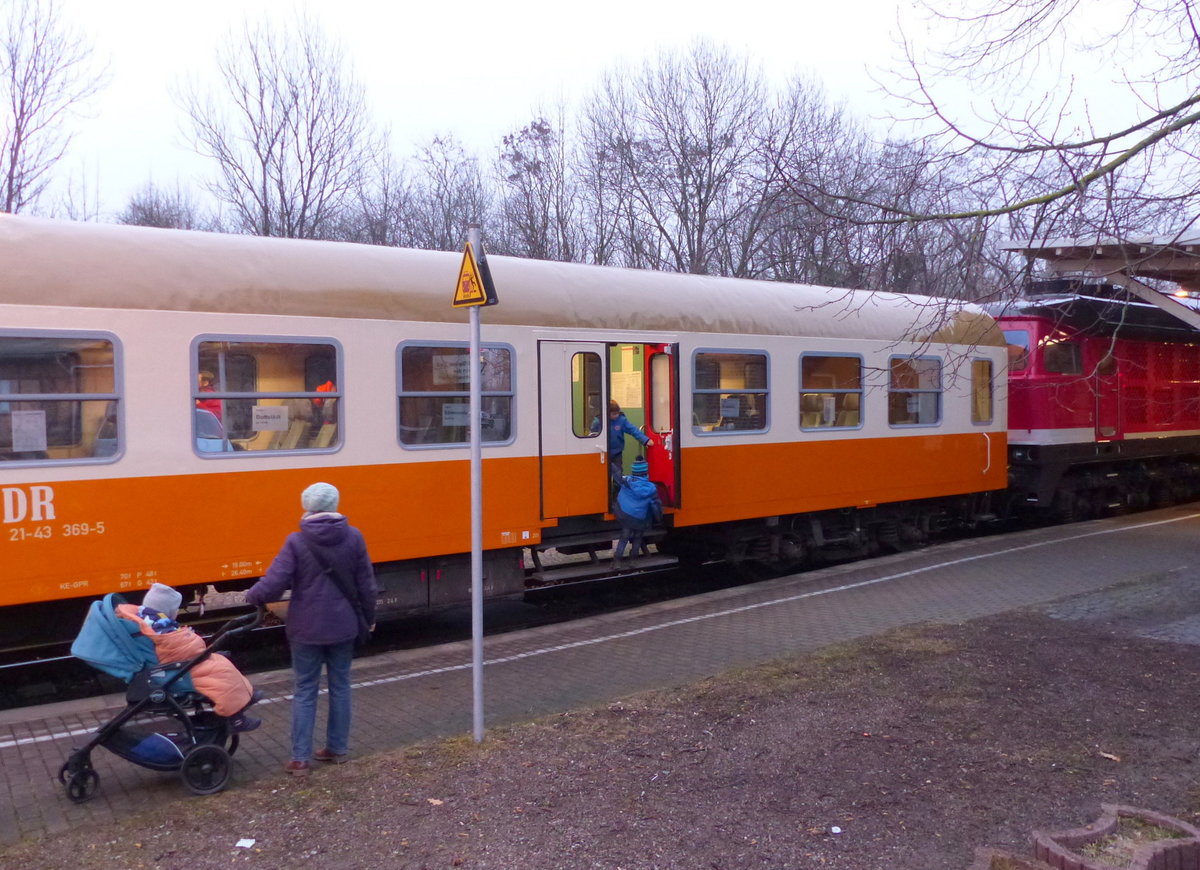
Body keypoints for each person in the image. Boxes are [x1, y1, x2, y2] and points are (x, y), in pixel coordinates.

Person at [244, 482, 377, 778]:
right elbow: (366, 585)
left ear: (307, 506)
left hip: (306, 629)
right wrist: (369, 618)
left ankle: (300, 759)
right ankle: (338, 749)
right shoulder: (354, 537)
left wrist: (252, 596)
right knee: (341, 686)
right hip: (343, 626)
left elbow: (274, 583)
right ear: (334, 504)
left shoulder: (297, 541)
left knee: (305, 690)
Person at [115, 582, 262, 732]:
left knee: (220, 663)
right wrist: (194, 642)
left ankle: (245, 696)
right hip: (174, 669)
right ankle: (235, 719)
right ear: (167, 610)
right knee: (220, 677)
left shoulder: (146, 620)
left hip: (172, 664)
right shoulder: (161, 626)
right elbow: (178, 646)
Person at [613, 456, 663, 571]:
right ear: (646, 472)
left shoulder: (627, 481)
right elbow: (656, 506)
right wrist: (659, 519)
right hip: (640, 519)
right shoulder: (652, 488)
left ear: (634, 471)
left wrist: (610, 463)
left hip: (626, 516)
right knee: (637, 538)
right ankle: (633, 561)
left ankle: (617, 561)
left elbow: (616, 474)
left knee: (624, 538)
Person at [606, 400, 650, 482]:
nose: (616, 415)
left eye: (617, 413)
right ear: (607, 413)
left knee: (618, 474)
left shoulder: (621, 420)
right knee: (604, 474)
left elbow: (633, 430)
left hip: (617, 453)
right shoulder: (600, 421)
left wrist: (646, 440)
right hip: (603, 453)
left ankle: (618, 489)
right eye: (614, 414)